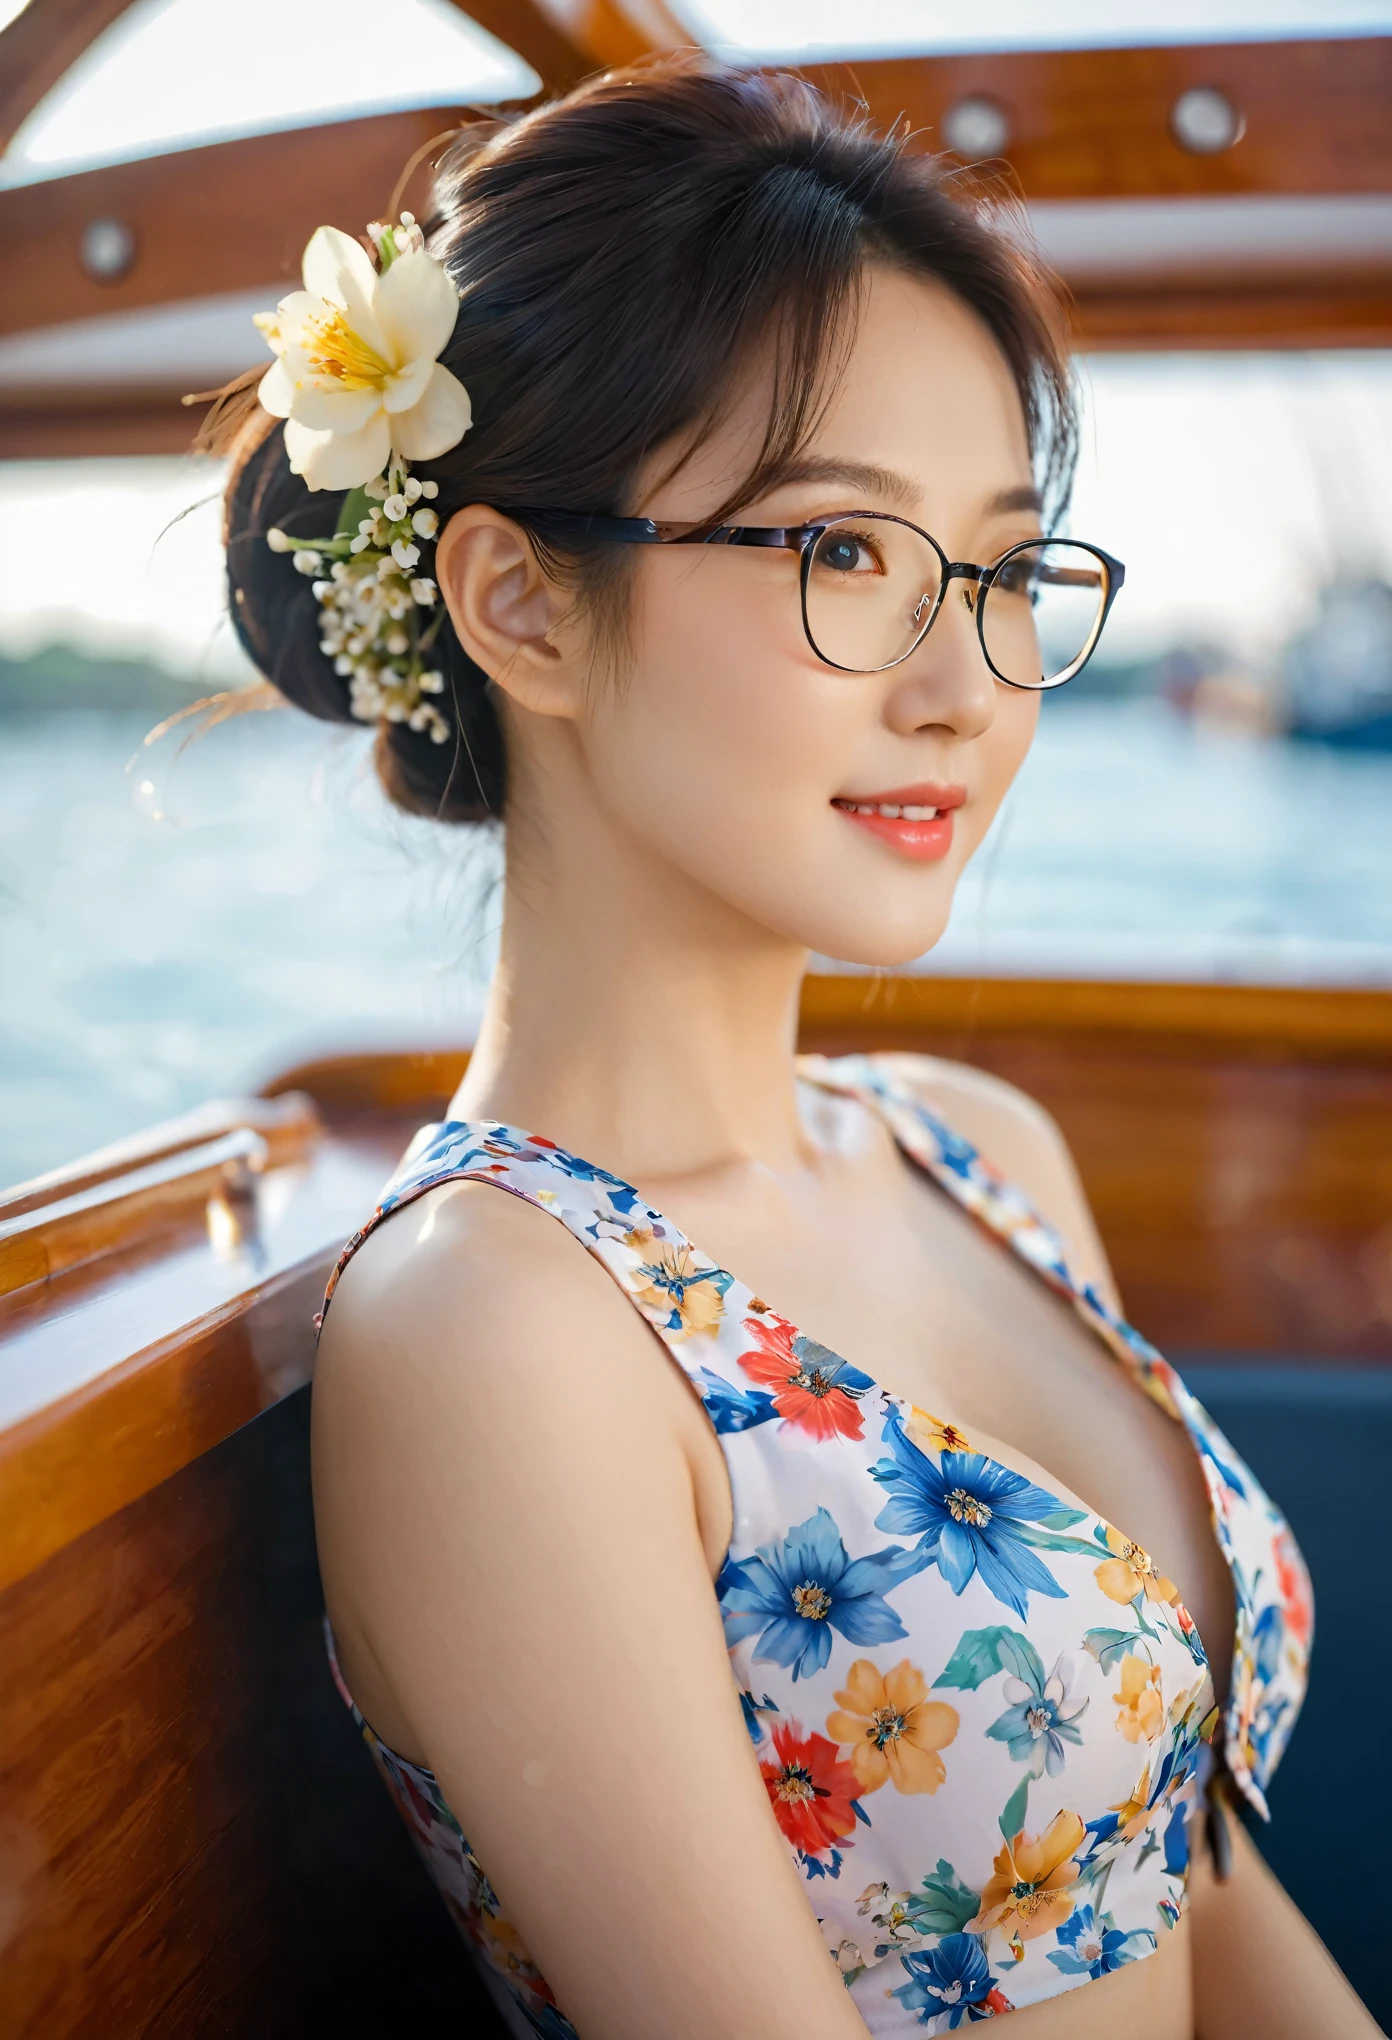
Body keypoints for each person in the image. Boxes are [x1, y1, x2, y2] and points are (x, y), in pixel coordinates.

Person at [221, 57, 1369, 2040]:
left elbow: (1200, 1875)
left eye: (1004, 571)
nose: (966, 686)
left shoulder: (968, 1142)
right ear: (520, 602)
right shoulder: (497, 1327)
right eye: (846, 552)